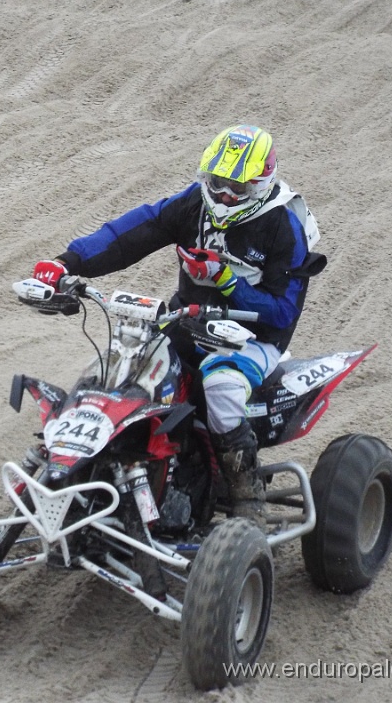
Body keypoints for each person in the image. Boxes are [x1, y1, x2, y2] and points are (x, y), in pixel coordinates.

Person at [31, 124, 321, 521]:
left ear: (261, 184)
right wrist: (68, 262)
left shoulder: (284, 225)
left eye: (237, 189)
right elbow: (132, 232)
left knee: (220, 387)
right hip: (185, 321)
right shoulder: (194, 203)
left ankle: (246, 498)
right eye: (218, 183)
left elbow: (283, 311)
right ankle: (88, 469)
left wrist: (226, 280)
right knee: (120, 366)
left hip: (252, 340)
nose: (224, 196)